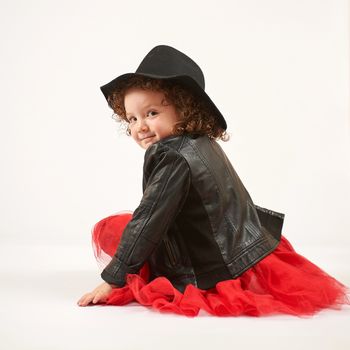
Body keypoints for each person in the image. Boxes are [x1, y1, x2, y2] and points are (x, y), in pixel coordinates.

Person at [77, 45, 350, 317]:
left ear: (184, 109)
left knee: (114, 230)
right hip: (241, 242)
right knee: (124, 229)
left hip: (211, 262)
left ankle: (155, 272)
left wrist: (114, 278)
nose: (140, 127)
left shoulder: (172, 155)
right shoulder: (200, 142)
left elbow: (149, 218)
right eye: (132, 118)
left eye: (152, 114)